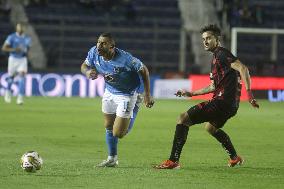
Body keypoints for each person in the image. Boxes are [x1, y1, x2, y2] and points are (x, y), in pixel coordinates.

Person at [154, 24, 259, 169]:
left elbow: (243, 68)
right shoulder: (215, 59)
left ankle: (173, 161)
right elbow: (212, 87)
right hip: (230, 106)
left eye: (209, 38)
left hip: (222, 102)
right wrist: (191, 93)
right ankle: (235, 158)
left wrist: (250, 94)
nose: (205, 41)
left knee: (183, 119)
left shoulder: (222, 54)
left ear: (217, 39)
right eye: (203, 39)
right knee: (210, 128)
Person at [81, 32, 154, 167]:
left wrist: (147, 94)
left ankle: (136, 106)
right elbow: (84, 66)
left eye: (103, 43)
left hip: (127, 94)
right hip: (109, 92)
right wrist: (87, 72)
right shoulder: (94, 52)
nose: (99, 45)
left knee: (119, 133)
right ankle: (112, 159)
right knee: (108, 127)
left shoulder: (126, 59)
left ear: (112, 46)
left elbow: (144, 70)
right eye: (98, 42)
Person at [2, 22, 31, 105]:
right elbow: (4, 48)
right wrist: (14, 49)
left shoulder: (27, 38)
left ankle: (20, 98)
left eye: (21, 27)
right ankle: (8, 92)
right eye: (19, 27)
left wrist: (25, 51)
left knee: (22, 78)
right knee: (11, 78)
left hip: (22, 59)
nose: (20, 28)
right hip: (13, 59)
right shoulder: (11, 37)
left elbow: (28, 49)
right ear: (16, 28)